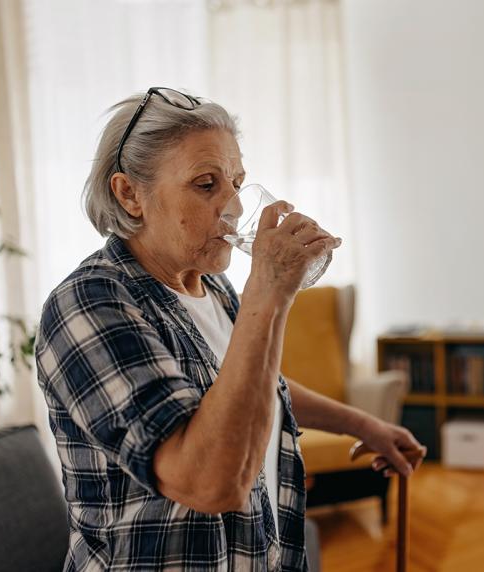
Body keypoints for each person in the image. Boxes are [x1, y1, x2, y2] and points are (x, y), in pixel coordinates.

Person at [35, 87, 425, 571]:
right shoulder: (89, 305)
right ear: (130, 194)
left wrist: (363, 425)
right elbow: (209, 483)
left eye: (237, 183)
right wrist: (269, 291)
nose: (236, 207)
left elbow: (252, 385)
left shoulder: (210, 286)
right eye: (206, 185)